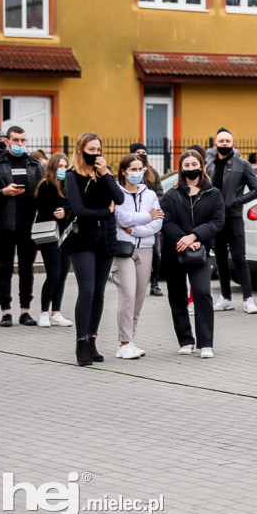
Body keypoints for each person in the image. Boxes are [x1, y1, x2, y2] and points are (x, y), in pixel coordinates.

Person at [63, 132, 125, 366]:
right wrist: (105, 212)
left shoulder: (103, 173)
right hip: (82, 240)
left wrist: (106, 173)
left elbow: (118, 198)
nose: (96, 154)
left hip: (105, 239)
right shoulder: (71, 176)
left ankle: (92, 341)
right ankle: (80, 343)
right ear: (80, 150)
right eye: (91, 150)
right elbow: (79, 210)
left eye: (99, 149)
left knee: (99, 293)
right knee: (87, 290)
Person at [160, 150, 225, 358]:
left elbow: (217, 221)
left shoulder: (213, 193)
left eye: (194, 164)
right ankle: (186, 340)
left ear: (202, 166)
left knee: (202, 292)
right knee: (177, 296)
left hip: (201, 251)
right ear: (181, 168)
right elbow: (165, 221)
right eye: (186, 165)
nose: (190, 168)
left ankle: (206, 343)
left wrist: (195, 237)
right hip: (175, 251)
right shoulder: (171, 194)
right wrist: (184, 239)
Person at [112, 154, 163, 360]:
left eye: (140, 168)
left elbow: (157, 221)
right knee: (128, 294)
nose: (137, 173)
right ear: (124, 171)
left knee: (139, 297)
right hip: (123, 250)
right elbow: (121, 217)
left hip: (146, 248)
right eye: (132, 169)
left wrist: (134, 230)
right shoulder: (117, 193)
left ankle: (130, 339)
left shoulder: (149, 194)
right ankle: (124, 342)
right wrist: (146, 217)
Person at [207, 128, 257, 314]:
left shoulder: (242, 164)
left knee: (239, 258)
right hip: (216, 219)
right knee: (220, 260)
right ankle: (225, 298)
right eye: (221, 141)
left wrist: (237, 201)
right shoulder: (210, 165)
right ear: (215, 145)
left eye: (227, 141)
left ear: (233, 144)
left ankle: (248, 299)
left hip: (234, 218)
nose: (224, 144)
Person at [0, 126, 45, 327]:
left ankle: (25, 311)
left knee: (27, 268)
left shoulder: (34, 165)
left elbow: (42, 192)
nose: (20, 144)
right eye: (16, 140)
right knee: (5, 268)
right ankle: (5, 311)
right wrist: (3, 192)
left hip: (28, 224)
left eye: (23, 140)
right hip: (4, 224)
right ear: (7, 141)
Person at [33, 152, 73, 328]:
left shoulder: (67, 186)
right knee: (53, 274)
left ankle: (56, 312)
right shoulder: (46, 185)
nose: (63, 170)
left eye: (65, 166)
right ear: (52, 167)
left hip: (66, 236)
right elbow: (48, 209)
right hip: (50, 236)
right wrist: (63, 212)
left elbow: (73, 208)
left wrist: (65, 211)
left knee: (63, 274)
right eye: (60, 166)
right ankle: (44, 312)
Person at [129, 143, 164, 296]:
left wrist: (153, 209)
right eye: (139, 152)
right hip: (132, 220)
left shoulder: (152, 173)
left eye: (144, 152)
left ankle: (154, 283)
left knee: (155, 252)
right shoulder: (128, 174)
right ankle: (133, 281)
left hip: (150, 220)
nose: (142, 155)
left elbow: (160, 193)